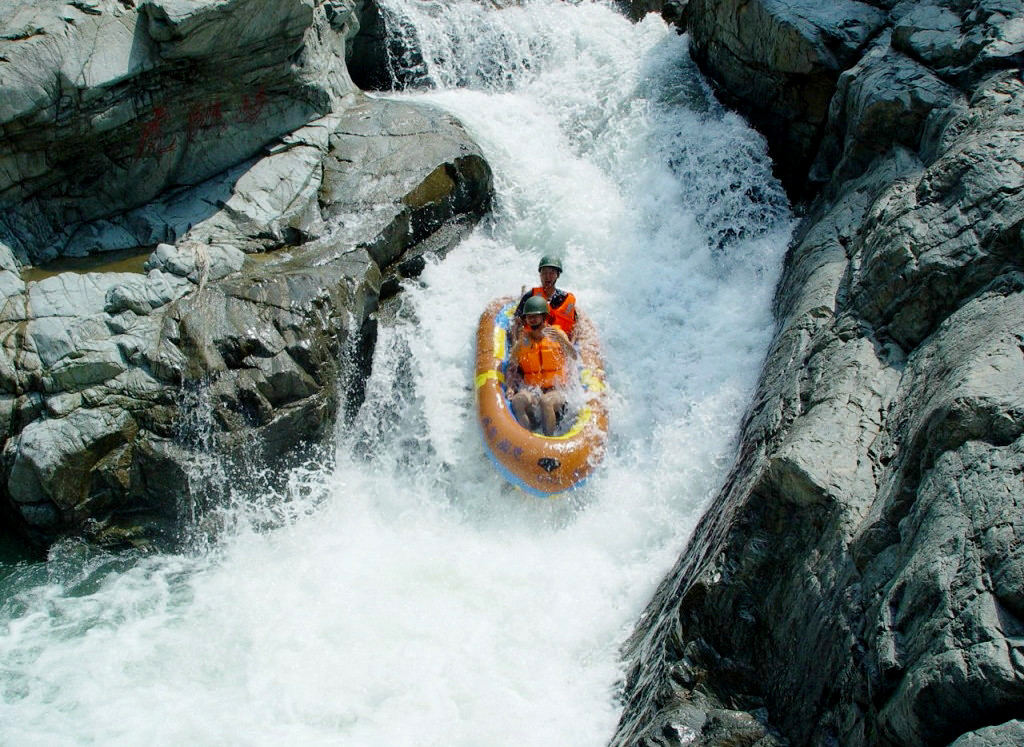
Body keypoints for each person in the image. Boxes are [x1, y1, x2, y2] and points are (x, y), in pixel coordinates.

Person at [507, 295, 579, 436]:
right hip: (534, 390)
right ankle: (528, 437)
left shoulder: (557, 334)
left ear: (544, 316)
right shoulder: (523, 341)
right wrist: (510, 386)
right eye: (529, 316)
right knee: (518, 401)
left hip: (557, 390)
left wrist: (562, 340)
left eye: (536, 316)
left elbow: (574, 356)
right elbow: (512, 366)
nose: (532, 319)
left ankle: (548, 439)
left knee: (546, 401)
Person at [514, 255, 578, 339]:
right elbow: (517, 321)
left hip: (559, 341)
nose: (547, 277)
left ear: (558, 275)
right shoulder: (530, 296)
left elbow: (576, 326)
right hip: (534, 341)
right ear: (540, 275)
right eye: (544, 273)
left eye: (551, 273)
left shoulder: (564, 298)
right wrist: (516, 340)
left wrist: (571, 342)